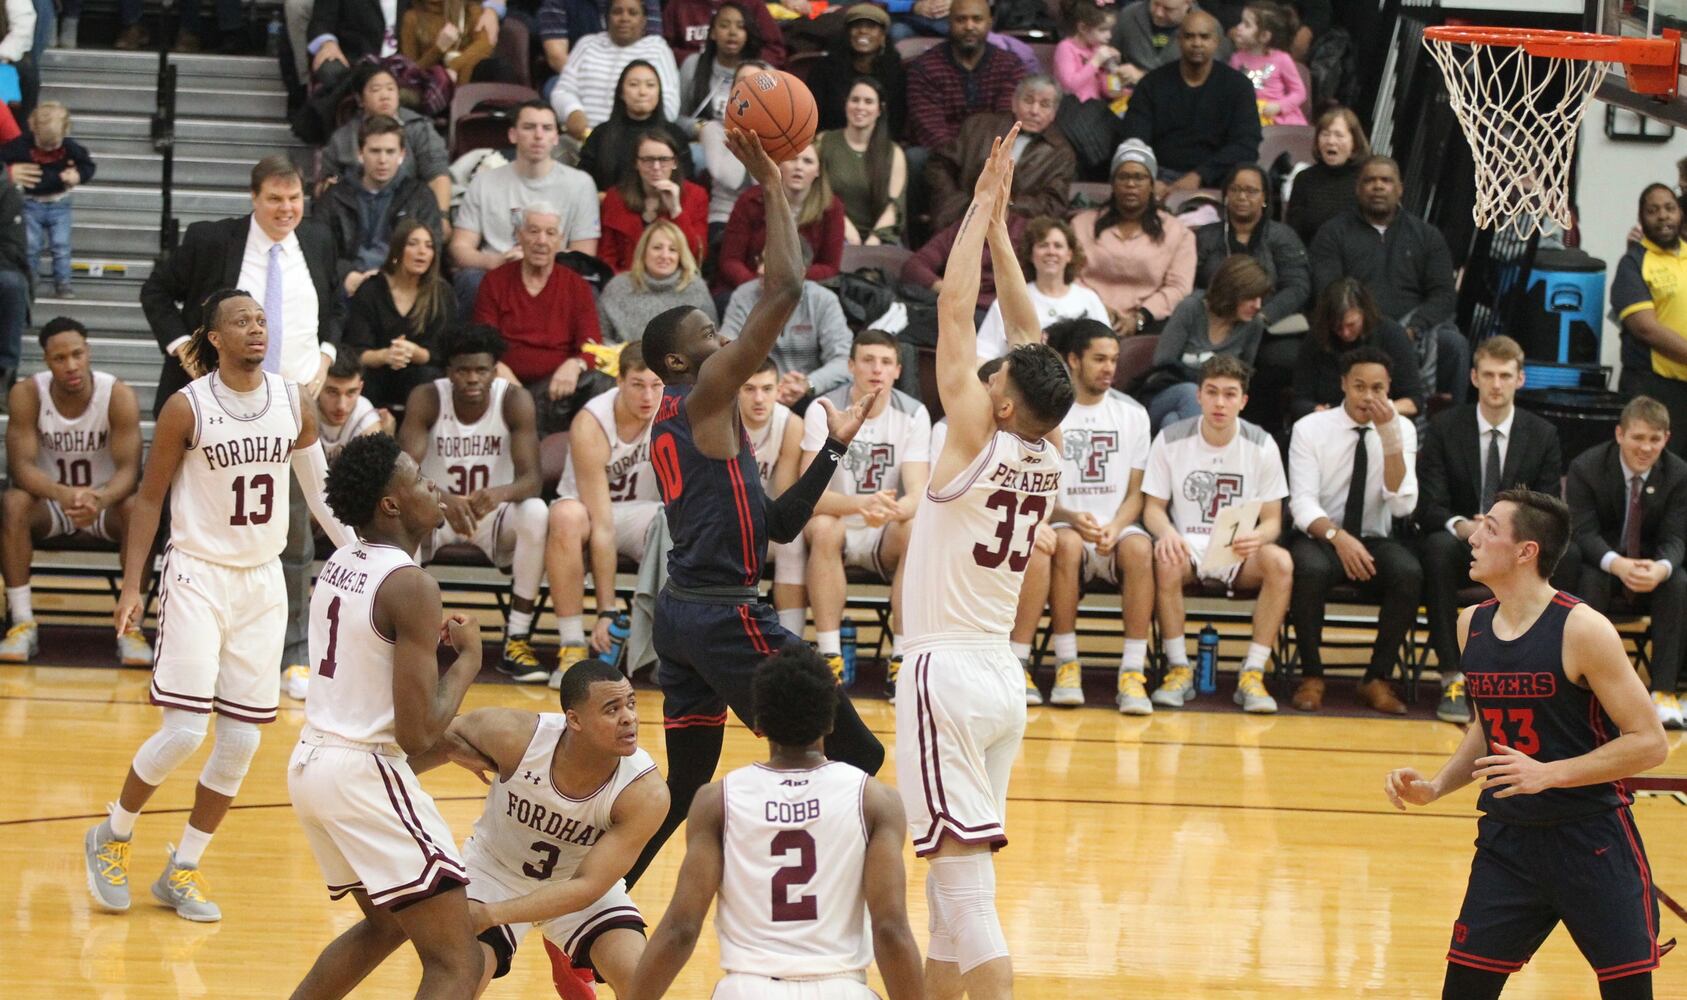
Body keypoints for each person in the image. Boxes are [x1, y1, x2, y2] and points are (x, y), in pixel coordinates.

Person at [622, 129, 887, 889]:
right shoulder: (701, 396)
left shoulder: (708, 421)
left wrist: (832, 446)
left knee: (680, 792)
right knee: (858, 756)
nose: (725, 337)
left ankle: (587, 915)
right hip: (724, 614)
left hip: (682, 613)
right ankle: (825, 895)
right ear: (678, 360)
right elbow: (787, 290)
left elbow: (774, 526)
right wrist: (774, 182)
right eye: (710, 334)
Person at [82, 290, 351, 922]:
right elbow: (147, 501)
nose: (257, 329)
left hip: (261, 583)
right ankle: (112, 834)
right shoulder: (187, 406)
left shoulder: (293, 401)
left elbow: (323, 498)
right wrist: (130, 587)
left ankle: (183, 870)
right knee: (183, 730)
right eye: (242, 322)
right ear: (215, 338)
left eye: (261, 320)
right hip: (198, 575)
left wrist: (372, 556)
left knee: (240, 744)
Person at [896, 124, 1073, 1000]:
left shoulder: (976, 430)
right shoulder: (1049, 449)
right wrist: (1005, 225)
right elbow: (1031, 339)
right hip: (1001, 676)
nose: (991, 371)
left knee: (963, 889)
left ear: (1001, 402)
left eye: (998, 377)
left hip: (944, 674)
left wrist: (973, 214)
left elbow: (950, 308)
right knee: (947, 882)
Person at [1383, 489, 1669, 1000]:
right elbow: (1487, 726)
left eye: (1490, 528)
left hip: (1590, 839)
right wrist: (1437, 786)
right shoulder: (1471, 624)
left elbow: (1650, 743)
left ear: (1525, 551)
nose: (1474, 536)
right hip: (1509, 843)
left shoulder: (1583, 629)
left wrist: (1550, 772)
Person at [285, 432, 486, 997]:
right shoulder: (412, 587)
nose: (434, 486)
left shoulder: (342, 560)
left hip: (311, 765)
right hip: (361, 772)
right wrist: (468, 660)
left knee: (385, 927)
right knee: (457, 963)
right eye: (420, 478)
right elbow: (417, 731)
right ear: (390, 505)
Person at [139, 155, 344, 684]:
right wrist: (183, 345)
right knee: (193, 520)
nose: (286, 208)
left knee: (294, 531)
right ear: (254, 198)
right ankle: (178, 638)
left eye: (294, 198)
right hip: (218, 402)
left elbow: (336, 307)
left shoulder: (318, 241)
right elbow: (155, 291)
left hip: (288, 402)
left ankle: (292, 654)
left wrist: (325, 355)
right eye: (275, 198)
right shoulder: (213, 239)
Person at [621, 645, 924, 1000]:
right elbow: (890, 930)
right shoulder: (876, 800)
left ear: (759, 722)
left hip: (747, 988)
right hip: (841, 988)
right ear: (830, 720)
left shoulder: (717, 800)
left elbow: (681, 929)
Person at [415, 659, 667, 997]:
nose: (629, 718)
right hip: (494, 872)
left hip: (575, 884)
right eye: (612, 709)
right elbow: (429, 738)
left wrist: (491, 914)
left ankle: (567, 954)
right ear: (574, 720)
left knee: (642, 982)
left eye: (631, 704)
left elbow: (588, 887)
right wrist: (455, 750)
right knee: (459, 982)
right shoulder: (516, 736)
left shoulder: (644, 791)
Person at [1416, 335, 1562, 725]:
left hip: (1517, 542)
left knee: (1570, 554)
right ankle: (1453, 675)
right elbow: (1428, 504)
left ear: (1520, 379)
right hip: (1462, 537)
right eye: (1489, 375)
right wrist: (1464, 527)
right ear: (1474, 377)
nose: (1497, 384)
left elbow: (1547, 507)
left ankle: (1542, 670)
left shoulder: (1542, 433)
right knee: (1435, 548)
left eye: (1505, 375)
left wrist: (1508, 533)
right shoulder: (1445, 427)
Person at [399, 325, 551, 683]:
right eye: (463, 370)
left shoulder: (514, 400)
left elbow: (532, 481)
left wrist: (498, 493)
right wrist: (441, 497)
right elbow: (404, 471)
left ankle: (516, 639)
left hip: (490, 514)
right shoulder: (428, 398)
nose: (472, 378)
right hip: (435, 511)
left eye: (481, 370)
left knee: (537, 512)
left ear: (494, 371)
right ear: (448, 372)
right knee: (401, 515)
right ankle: (410, 641)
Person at [1142, 353, 1291, 713]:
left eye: (1229, 394)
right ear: (1198, 396)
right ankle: (1179, 670)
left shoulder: (1261, 444)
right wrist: (1166, 534)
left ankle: (1252, 672)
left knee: (1281, 562)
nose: (1220, 402)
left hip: (1239, 549)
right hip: (1187, 544)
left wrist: (1260, 537)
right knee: (1164, 559)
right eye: (1212, 392)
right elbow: (1152, 509)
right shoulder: (1170, 439)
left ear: (1243, 400)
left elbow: (1273, 519)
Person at [0, 318, 148, 665]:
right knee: (13, 502)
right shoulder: (27, 394)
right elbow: (20, 467)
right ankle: (22, 624)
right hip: (52, 505)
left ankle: (132, 629)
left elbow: (131, 469)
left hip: (105, 506)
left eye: (77, 354)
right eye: (60, 358)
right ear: (47, 361)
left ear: (88, 352)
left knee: (138, 506)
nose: (71, 365)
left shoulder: (117, 395)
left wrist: (102, 499)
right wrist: (60, 493)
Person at [1286, 347, 1422, 714]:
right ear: (1343, 384)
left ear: (1389, 388)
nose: (1368, 396)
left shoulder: (1402, 428)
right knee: (1309, 569)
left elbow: (1402, 505)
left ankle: (1375, 678)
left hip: (1375, 536)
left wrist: (1390, 438)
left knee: (1408, 573)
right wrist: (1337, 537)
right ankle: (1312, 675)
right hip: (1322, 533)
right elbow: (1301, 503)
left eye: (1378, 388)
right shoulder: (1311, 428)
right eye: (1360, 386)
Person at [801, 330, 931, 684]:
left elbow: (918, 493)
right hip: (839, 522)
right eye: (868, 360)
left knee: (914, 528)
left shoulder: (915, 414)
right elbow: (809, 495)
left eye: (886, 362)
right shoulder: (824, 409)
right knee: (824, 526)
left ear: (898, 371)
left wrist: (892, 510)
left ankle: (902, 656)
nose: (877, 369)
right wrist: (862, 505)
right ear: (850, 366)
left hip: (883, 528)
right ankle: (829, 655)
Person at [1042, 319, 1155, 711]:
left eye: (1114, 360)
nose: (1109, 368)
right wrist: (1070, 516)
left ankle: (1132, 671)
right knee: (1067, 545)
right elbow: (1037, 490)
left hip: (1116, 524)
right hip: (1063, 521)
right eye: (1099, 359)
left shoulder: (1134, 413)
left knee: (1140, 549)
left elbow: (1137, 492)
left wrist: (1118, 526)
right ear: (1074, 360)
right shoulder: (1051, 412)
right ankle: (1066, 664)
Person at [1565, 396, 1687, 731]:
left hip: (1651, 571)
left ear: (1666, 439)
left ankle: (1663, 692)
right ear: (1620, 434)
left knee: (1678, 581)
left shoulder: (1678, 474)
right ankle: (1590, 689)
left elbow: (1677, 537)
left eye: (1654, 439)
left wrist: (1661, 568)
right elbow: (1582, 532)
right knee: (1590, 576)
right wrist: (1617, 564)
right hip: (1602, 562)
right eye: (1638, 437)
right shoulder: (1586, 467)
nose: (1646, 447)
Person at [546, 342, 665, 680]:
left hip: (642, 513)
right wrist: (607, 610)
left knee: (679, 524)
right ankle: (572, 646)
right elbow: (603, 525)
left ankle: (667, 651)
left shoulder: (672, 413)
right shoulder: (591, 421)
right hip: (588, 513)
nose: (648, 396)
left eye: (656, 385)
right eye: (638, 385)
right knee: (566, 516)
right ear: (619, 381)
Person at [1309, 155, 1468, 405]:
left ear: (1400, 188)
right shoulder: (1333, 233)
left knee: (1454, 344)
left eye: (1386, 180)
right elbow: (1329, 291)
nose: (1378, 186)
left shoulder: (1427, 236)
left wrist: (1413, 328)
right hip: (1356, 328)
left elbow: (1444, 295)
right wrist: (1363, 324)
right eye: (1370, 180)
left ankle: (1450, 429)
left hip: (1413, 329)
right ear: (1358, 188)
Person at [449, 101, 600, 317]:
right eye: (529, 127)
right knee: (469, 280)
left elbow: (584, 254)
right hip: (497, 270)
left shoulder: (581, 183)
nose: (538, 135)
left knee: (587, 289)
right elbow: (460, 247)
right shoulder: (484, 182)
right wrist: (494, 262)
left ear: (556, 137)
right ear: (513, 135)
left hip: (554, 272)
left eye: (546, 128)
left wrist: (538, 260)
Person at [470, 202, 605, 435]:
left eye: (550, 233)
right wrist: (498, 366)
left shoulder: (577, 286)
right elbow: (481, 342)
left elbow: (592, 346)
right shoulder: (495, 281)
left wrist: (576, 363)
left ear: (560, 241)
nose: (541, 240)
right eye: (533, 231)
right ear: (519, 236)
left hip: (558, 391)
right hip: (506, 385)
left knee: (601, 383)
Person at [1119, 10, 1262, 196]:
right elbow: (1134, 138)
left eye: (1204, 37)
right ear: (1179, 40)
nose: (1196, 43)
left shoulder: (1238, 86)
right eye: (1189, 36)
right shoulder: (1152, 83)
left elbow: (1246, 144)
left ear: (1216, 42)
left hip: (1217, 180)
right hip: (1156, 177)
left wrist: (1200, 175)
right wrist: (1149, 178)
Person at [1071, 139, 1196, 334]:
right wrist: (1098, 309)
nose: (1131, 184)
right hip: (1086, 317)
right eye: (1123, 176)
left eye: (1139, 177)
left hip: (1150, 323)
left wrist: (1140, 318)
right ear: (1112, 183)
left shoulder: (1178, 233)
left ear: (1152, 184)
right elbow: (1070, 274)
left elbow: (1179, 288)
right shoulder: (1081, 224)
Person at [316, 115, 445, 299]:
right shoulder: (334, 196)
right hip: (345, 287)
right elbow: (320, 250)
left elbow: (433, 251)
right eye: (375, 151)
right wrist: (347, 275)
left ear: (402, 155)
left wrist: (390, 276)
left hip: (401, 285)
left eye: (390, 152)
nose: (383, 160)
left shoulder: (420, 197)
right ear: (360, 153)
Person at [925, 76, 1074, 234]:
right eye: (1028, 101)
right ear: (1014, 103)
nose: (1034, 111)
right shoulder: (978, 126)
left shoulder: (1061, 153)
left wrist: (999, 207)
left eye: (1044, 105)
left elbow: (1053, 205)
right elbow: (939, 166)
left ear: (1053, 113)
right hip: (959, 217)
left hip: (1014, 233)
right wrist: (954, 203)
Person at [1147, 253, 1271, 429]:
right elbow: (1162, 363)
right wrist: (1210, 384)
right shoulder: (1190, 308)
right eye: (1251, 297)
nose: (1258, 305)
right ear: (1232, 292)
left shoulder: (1254, 324)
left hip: (1215, 405)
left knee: (1172, 422)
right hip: (1168, 392)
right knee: (1191, 393)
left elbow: (1243, 376)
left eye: (1261, 298)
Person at [719, 248, 853, 406]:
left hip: (809, 396)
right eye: (760, 261)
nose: (760, 270)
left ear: (800, 272)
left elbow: (844, 361)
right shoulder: (743, 296)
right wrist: (764, 386)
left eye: (772, 265)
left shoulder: (823, 301)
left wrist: (807, 384)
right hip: (756, 391)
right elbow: (726, 353)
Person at [344, 218, 452, 412]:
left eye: (429, 246)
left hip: (420, 375)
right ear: (397, 250)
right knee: (364, 376)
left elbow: (444, 351)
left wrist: (414, 352)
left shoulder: (442, 293)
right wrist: (386, 355)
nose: (422, 251)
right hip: (378, 374)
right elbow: (356, 351)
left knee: (428, 377)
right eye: (413, 244)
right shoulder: (371, 290)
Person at [319, 66, 453, 222]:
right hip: (356, 216)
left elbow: (437, 176)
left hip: (410, 215)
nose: (385, 96)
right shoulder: (342, 137)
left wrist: (441, 217)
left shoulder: (419, 128)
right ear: (360, 100)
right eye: (376, 90)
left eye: (391, 89)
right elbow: (326, 183)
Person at [714, 144, 846, 295]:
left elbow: (830, 266)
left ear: (818, 171)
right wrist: (756, 286)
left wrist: (790, 281)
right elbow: (730, 261)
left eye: (808, 161)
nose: (799, 167)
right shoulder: (750, 200)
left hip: (803, 290)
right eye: (792, 159)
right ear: (779, 164)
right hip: (747, 287)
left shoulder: (831, 208)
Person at [1612, 183, 1687, 444]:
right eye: (1653, 210)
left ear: (1680, 214)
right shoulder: (1633, 263)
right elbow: (1646, 328)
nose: (1663, 215)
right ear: (1641, 219)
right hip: (1656, 388)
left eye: (1670, 208)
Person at [974, 216, 1110, 360]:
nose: (1051, 251)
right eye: (1043, 245)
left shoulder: (1089, 299)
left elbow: (1107, 348)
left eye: (1058, 246)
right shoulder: (1010, 301)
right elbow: (984, 354)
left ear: (1069, 255)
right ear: (1031, 254)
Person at [1289, 277, 1422, 422]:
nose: (1345, 333)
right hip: (1330, 424)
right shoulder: (1317, 339)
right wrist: (1318, 411)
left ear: (1364, 313)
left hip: (1379, 423)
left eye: (1351, 325)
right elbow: (1300, 400)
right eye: (1337, 327)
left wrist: (1379, 411)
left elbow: (1413, 402)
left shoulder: (1391, 335)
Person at [1194, 163, 1310, 328]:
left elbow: (1297, 287)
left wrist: (1264, 316)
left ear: (1264, 198)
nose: (1242, 197)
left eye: (1251, 191)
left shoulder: (1283, 236)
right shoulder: (1206, 236)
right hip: (1214, 322)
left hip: (1269, 324)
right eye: (1235, 189)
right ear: (1226, 194)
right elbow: (1190, 285)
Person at [740, 359, 808, 639]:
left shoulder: (790, 424)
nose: (759, 398)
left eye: (767, 389)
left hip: (764, 523)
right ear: (735, 390)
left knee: (792, 540)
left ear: (779, 389)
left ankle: (791, 640)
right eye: (749, 389)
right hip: (724, 520)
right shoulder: (721, 419)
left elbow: (783, 498)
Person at [551, 0, 682, 143]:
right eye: (617, 12)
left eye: (633, 13)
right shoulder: (586, 45)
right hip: (582, 139)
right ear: (607, 17)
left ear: (644, 20)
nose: (624, 18)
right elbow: (562, 91)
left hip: (637, 142)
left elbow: (670, 105)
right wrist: (572, 111)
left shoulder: (658, 49)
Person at [905, 0, 1027, 151]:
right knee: (916, 156)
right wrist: (960, 156)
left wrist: (982, 156)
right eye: (961, 19)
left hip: (992, 152)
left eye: (977, 19)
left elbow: (1006, 121)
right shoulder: (925, 67)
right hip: (941, 155)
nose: (969, 26)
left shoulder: (1010, 66)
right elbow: (930, 128)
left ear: (989, 23)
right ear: (949, 23)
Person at [0, 101, 93, 299]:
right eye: (44, 144)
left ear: (65, 132)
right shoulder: (21, 145)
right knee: (31, 245)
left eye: (54, 145)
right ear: (32, 128)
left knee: (61, 244)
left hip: (59, 202)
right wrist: (9, 172)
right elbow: (3, 156)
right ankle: (30, 280)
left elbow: (87, 165)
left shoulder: (70, 147)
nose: (50, 149)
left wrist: (78, 176)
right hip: (30, 202)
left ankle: (63, 282)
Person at [578, 60, 698, 192]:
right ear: (621, 93)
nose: (642, 92)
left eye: (650, 85)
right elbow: (583, 182)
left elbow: (688, 185)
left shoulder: (675, 134)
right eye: (634, 85)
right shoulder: (601, 134)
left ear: (659, 92)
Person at [598, 131, 708, 273]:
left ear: (674, 162)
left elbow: (697, 256)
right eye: (648, 160)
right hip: (626, 280)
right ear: (636, 163)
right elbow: (607, 256)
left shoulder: (696, 195)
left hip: (675, 283)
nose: (656, 167)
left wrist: (676, 210)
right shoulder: (616, 197)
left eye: (663, 160)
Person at [815, 78, 908, 247]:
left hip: (880, 237)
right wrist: (844, 227)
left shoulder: (894, 153)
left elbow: (894, 207)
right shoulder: (824, 142)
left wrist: (874, 240)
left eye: (868, 102)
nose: (860, 107)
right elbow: (819, 192)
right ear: (846, 104)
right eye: (855, 100)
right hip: (833, 231)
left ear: (880, 110)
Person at [598, 221, 719, 345]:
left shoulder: (696, 288)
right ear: (644, 251)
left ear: (680, 255)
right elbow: (601, 336)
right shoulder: (617, 287)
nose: (664, 255)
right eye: (657, 248)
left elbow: (711, 340)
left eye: (672, 250)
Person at [902, 211, 1030, 314]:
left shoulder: (1025, 231)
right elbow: (915, 266)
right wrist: (948, 289)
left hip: (1001, 314)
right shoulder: (961, 229)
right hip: (958, 306)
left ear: (1009, 196)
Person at [810, 4, 907, 137]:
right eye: (856, 26)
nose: (863, 31)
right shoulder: (824, 69)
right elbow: (814, 115)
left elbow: (896, 121)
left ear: (883, 36)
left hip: (879, 145)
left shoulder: (896, 73)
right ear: (847, 33)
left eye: (871, 27)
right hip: (829, 141)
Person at [1285, 105, 1367, 246]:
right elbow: (1293, 234)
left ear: (1354, 142)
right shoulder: (1304, 179)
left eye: (1339, 135)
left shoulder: (1366, 180)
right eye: (1325, 134)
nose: (1330, 141)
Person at [400, 0, 518, 92]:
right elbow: (412, 73)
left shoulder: (468, 9)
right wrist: (438, 49)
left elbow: (484, 45)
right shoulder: (411, 18)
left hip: (468, 76)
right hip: (432, 83)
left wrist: (454, 66)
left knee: (499, 68)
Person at [676, 1, 760, 131]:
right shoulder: (692, 65)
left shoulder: (762, 72)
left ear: (748, 34)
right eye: (724, 26)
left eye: (740, 27)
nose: (732, 32)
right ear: (712, 33)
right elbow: (676, 119)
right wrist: (703, 128)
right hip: (699, 144)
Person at [1110, 0, 1231, 87]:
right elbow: (1111, 57)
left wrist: (1144, 78)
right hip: (1127, 99)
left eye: (1168, 9)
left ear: (1188, 4)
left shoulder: (1208, 28)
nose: (1158, 13)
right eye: (1155, 4)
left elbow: (1207, 83)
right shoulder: (1129, 15)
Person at [538, 0, 665, 78]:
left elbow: (652, 46)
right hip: (576, 76)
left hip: (635, 76)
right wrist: (597, 83)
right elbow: (557, 57)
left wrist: (628, 82)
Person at [1227, 0, 1306, 125]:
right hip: (1247, 118)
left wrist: (1279, 106)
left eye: (1247, 25)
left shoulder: (1282, 59)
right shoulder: (1236, 59)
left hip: (1276, 119)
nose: (1239, 27)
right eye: (1241, 22)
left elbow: (1299, 92)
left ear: (1264, 36)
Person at [314, 355, 392, 463]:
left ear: (360, 388)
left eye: (351, 392)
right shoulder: (304, 410)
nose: (341, 406)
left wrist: (387, 439)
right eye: (332, 392)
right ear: (318, 385)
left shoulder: (365, 416)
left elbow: (373, 474)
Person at [662, 0, 784, 67]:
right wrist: (700, 62)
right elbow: (663, 50)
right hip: (692, 76)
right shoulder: (678, 4)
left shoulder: (751, 4)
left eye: (740, 26)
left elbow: (775, 50)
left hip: (744, 78)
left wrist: (746, 65)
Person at [1054, 2, 1126, 104]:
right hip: (1071, 109)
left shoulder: (1096, 49)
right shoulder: (1065, 48)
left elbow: (1111, 92)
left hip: (1093, 108)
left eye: (1110, 30)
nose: (1109, 36)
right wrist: (1096, 61)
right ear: (1083, 28)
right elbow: (1069, 86)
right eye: (1102, 30)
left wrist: (1111, 68)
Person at [0, 170, 26, 402]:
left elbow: (13, 247)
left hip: (2, 265)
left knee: (12, 284)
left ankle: (5, 373)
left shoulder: (8, 193)